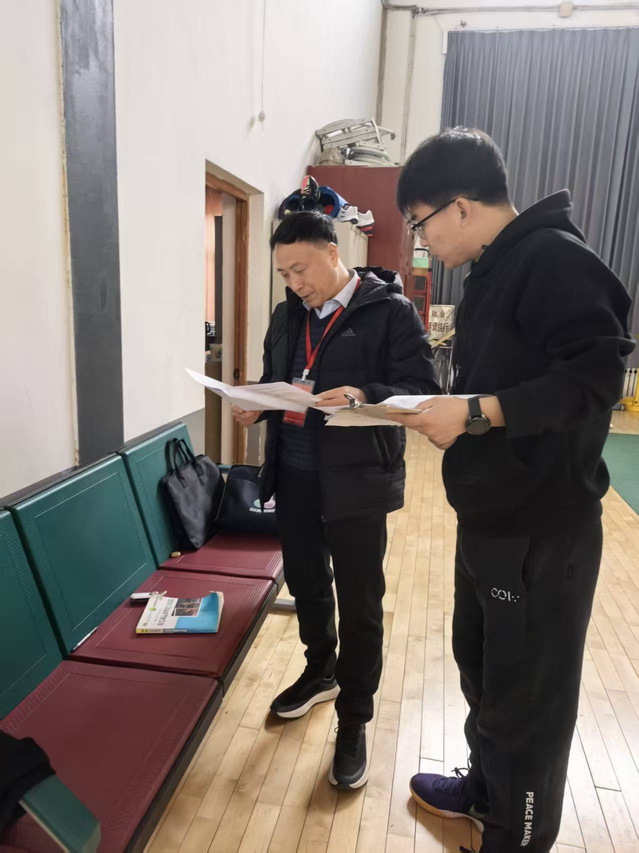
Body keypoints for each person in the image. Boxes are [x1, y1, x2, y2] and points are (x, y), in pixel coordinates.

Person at [390, 128, 635, 853]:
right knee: (483, 669)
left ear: (460, 206)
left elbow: (597, 378)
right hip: (491, 516)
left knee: (528, 698)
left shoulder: (555, 259)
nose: (421, 242)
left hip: (543, 529)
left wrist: (473, 412)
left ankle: (517, 833)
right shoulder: (494, 270)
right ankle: (487, 791)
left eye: (420, 224)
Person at [232, 211, 439, 789]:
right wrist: (255, 406)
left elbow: (423, 391)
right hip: (295, 476)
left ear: (332, 251)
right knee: (307, 583)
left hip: (358, 482)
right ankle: (320, 669)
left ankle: (355, 717)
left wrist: (363, 393)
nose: (294, 283)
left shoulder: (389, 311)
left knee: (360, 601)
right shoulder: (286, 316)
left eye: (301, 269)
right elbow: (280, 381)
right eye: (284, 273)